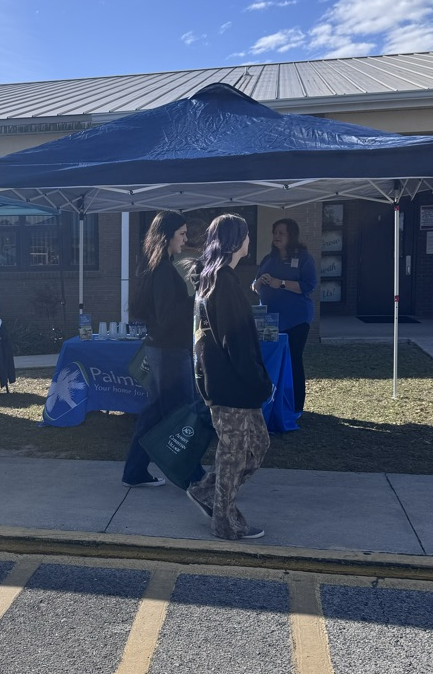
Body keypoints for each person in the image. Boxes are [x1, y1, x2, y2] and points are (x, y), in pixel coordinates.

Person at [188, 214, 272, 541]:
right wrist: (259, 382)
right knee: (234, 456)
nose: (250, 241)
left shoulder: (216, 279)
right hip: (231, 386)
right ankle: (226, 522)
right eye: (247, 235)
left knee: (255, 447)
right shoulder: (221, 281)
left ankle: (206, 493)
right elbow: (235, 342)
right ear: (237, 241)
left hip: (227, 384)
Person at [122, 210, 205, 488]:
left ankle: (134, 471)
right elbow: (168, 315)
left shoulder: (156, 266)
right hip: (170, 350)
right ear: (167, 236)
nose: (185, 238)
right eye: (181, 234)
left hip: (161, 348)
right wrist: (194, 295)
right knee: (181, 416)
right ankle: (194, 479)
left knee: (155, 412)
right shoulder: (164, 270)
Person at [252, 218, 317, 416]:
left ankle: (296, 407)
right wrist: (258, 283)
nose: (277, 237)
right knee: (269, 360)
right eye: (275, 233)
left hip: (296, 319)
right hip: (269, 319)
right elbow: (255, 286)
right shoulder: (268, 259)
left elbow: (309, 285)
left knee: (293, 360)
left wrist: (280, 283)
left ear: (291, 236)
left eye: (282, 233)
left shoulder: (304, 258)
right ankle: (272, 401)